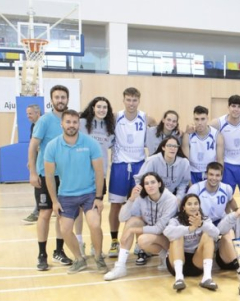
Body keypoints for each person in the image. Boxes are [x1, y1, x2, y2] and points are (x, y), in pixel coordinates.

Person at [43, 109, 105, 274]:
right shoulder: (52, 146)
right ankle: (79, 259)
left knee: (95, 224)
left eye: (75, 122)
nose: (71, 125)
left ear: (79, 124)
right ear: (61, 124)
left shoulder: (90, 143)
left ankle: (99, 257)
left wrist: (99, 197)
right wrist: (55, 201)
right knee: (64, 230)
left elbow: (99, 172)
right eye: (68, 122)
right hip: (66, 195)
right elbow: (49, 176)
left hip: (89, 193)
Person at [28, 85, 73, 271]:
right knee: (45, 213)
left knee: (62, 214)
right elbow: (32, 147)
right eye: (57, 97)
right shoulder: (45, 120)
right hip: (46, 175)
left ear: (67, 100)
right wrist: (32, 172)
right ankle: (42, 254)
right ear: (51, 100)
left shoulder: (70, 120)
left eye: (63, 97)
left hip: (65, 177)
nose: (60, 100)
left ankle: (59, 251)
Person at [103, 172, 177, 282]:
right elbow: (122, 218)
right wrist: (131, 199)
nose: (150, 185)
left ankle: (166, 256)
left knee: (142, 239)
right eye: (146, 183)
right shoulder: (141, 197)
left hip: (168, 239)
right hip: (153, 235)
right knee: (132, 221)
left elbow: (159, 229)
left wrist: (132, 230)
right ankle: (120, 267)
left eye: (153, 182)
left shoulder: (170, 199)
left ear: (159, 184)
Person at [108, 87, 153, 258]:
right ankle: (114, 241)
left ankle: (139, 244)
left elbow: (158, 124)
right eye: (128, 99)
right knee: (116, 205)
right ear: (123, 100)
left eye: (134, 100)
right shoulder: (116, 117)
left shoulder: (145, 117)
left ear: (138, 101)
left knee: (139, 205)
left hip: (139, 166)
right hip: (119, 165)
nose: (131, 103)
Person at [74, 96, 115, 257]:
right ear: (92, 108)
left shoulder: (110, 127)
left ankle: (94, 245)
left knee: (96, 210)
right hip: (81, 173)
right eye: (99, 107)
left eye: (105, 107)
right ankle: (79, 242)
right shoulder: (82, 123)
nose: (101, 110)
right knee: (78, 209)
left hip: (100, 174)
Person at [163, 193, 221, 291]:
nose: (193, 207)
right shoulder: (176, 220)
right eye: (189, 204)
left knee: (208, 235)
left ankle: (207, 278)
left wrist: (201, 224)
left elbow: (216, 233)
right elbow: (167, 232)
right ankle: (179, 278)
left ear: (199, 205)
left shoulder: (205, 219)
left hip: (196, 261)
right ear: (183, 207)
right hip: (176, 260)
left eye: (196, 204)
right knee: (177, 236)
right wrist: (190, 229)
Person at [215, 94, 240, 196]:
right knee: (225, 196)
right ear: (228, 107)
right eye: (233, 106)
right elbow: (204, 128)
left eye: (239, 107)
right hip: (228, 165)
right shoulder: (219, 122)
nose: (236, 109)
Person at [134, 135, 190, 200]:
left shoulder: (184, 163)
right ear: (163, 147)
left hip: (172, 196)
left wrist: (178, 198)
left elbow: (183, 183)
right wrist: (147, 197)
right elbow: (140, 179)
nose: (172, 148)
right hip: (152, 195)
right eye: (169, 146)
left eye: (175, 146)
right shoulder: (152, 160)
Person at [183, 105, 218, 185]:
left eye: (203, 119)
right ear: (193, 119)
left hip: (210, 173)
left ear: (207, 119)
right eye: (197, 119)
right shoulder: (188, 134)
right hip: (192, 172)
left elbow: (220, 159)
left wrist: (218, 176)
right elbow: (185, 160)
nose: (199, 123)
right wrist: (188, 179)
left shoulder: (216, 135)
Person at [23, 103, 42, 224]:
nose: (28, 116)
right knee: (39, 185)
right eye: (27, 114)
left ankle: (38, 211)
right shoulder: (33, 126)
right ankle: (39, 209)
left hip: (46, 161)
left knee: (40, 185)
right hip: (38, 160)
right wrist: (31, 160)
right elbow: (33, 146)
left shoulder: (43, 124)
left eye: (30, 113)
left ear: (37, 113)